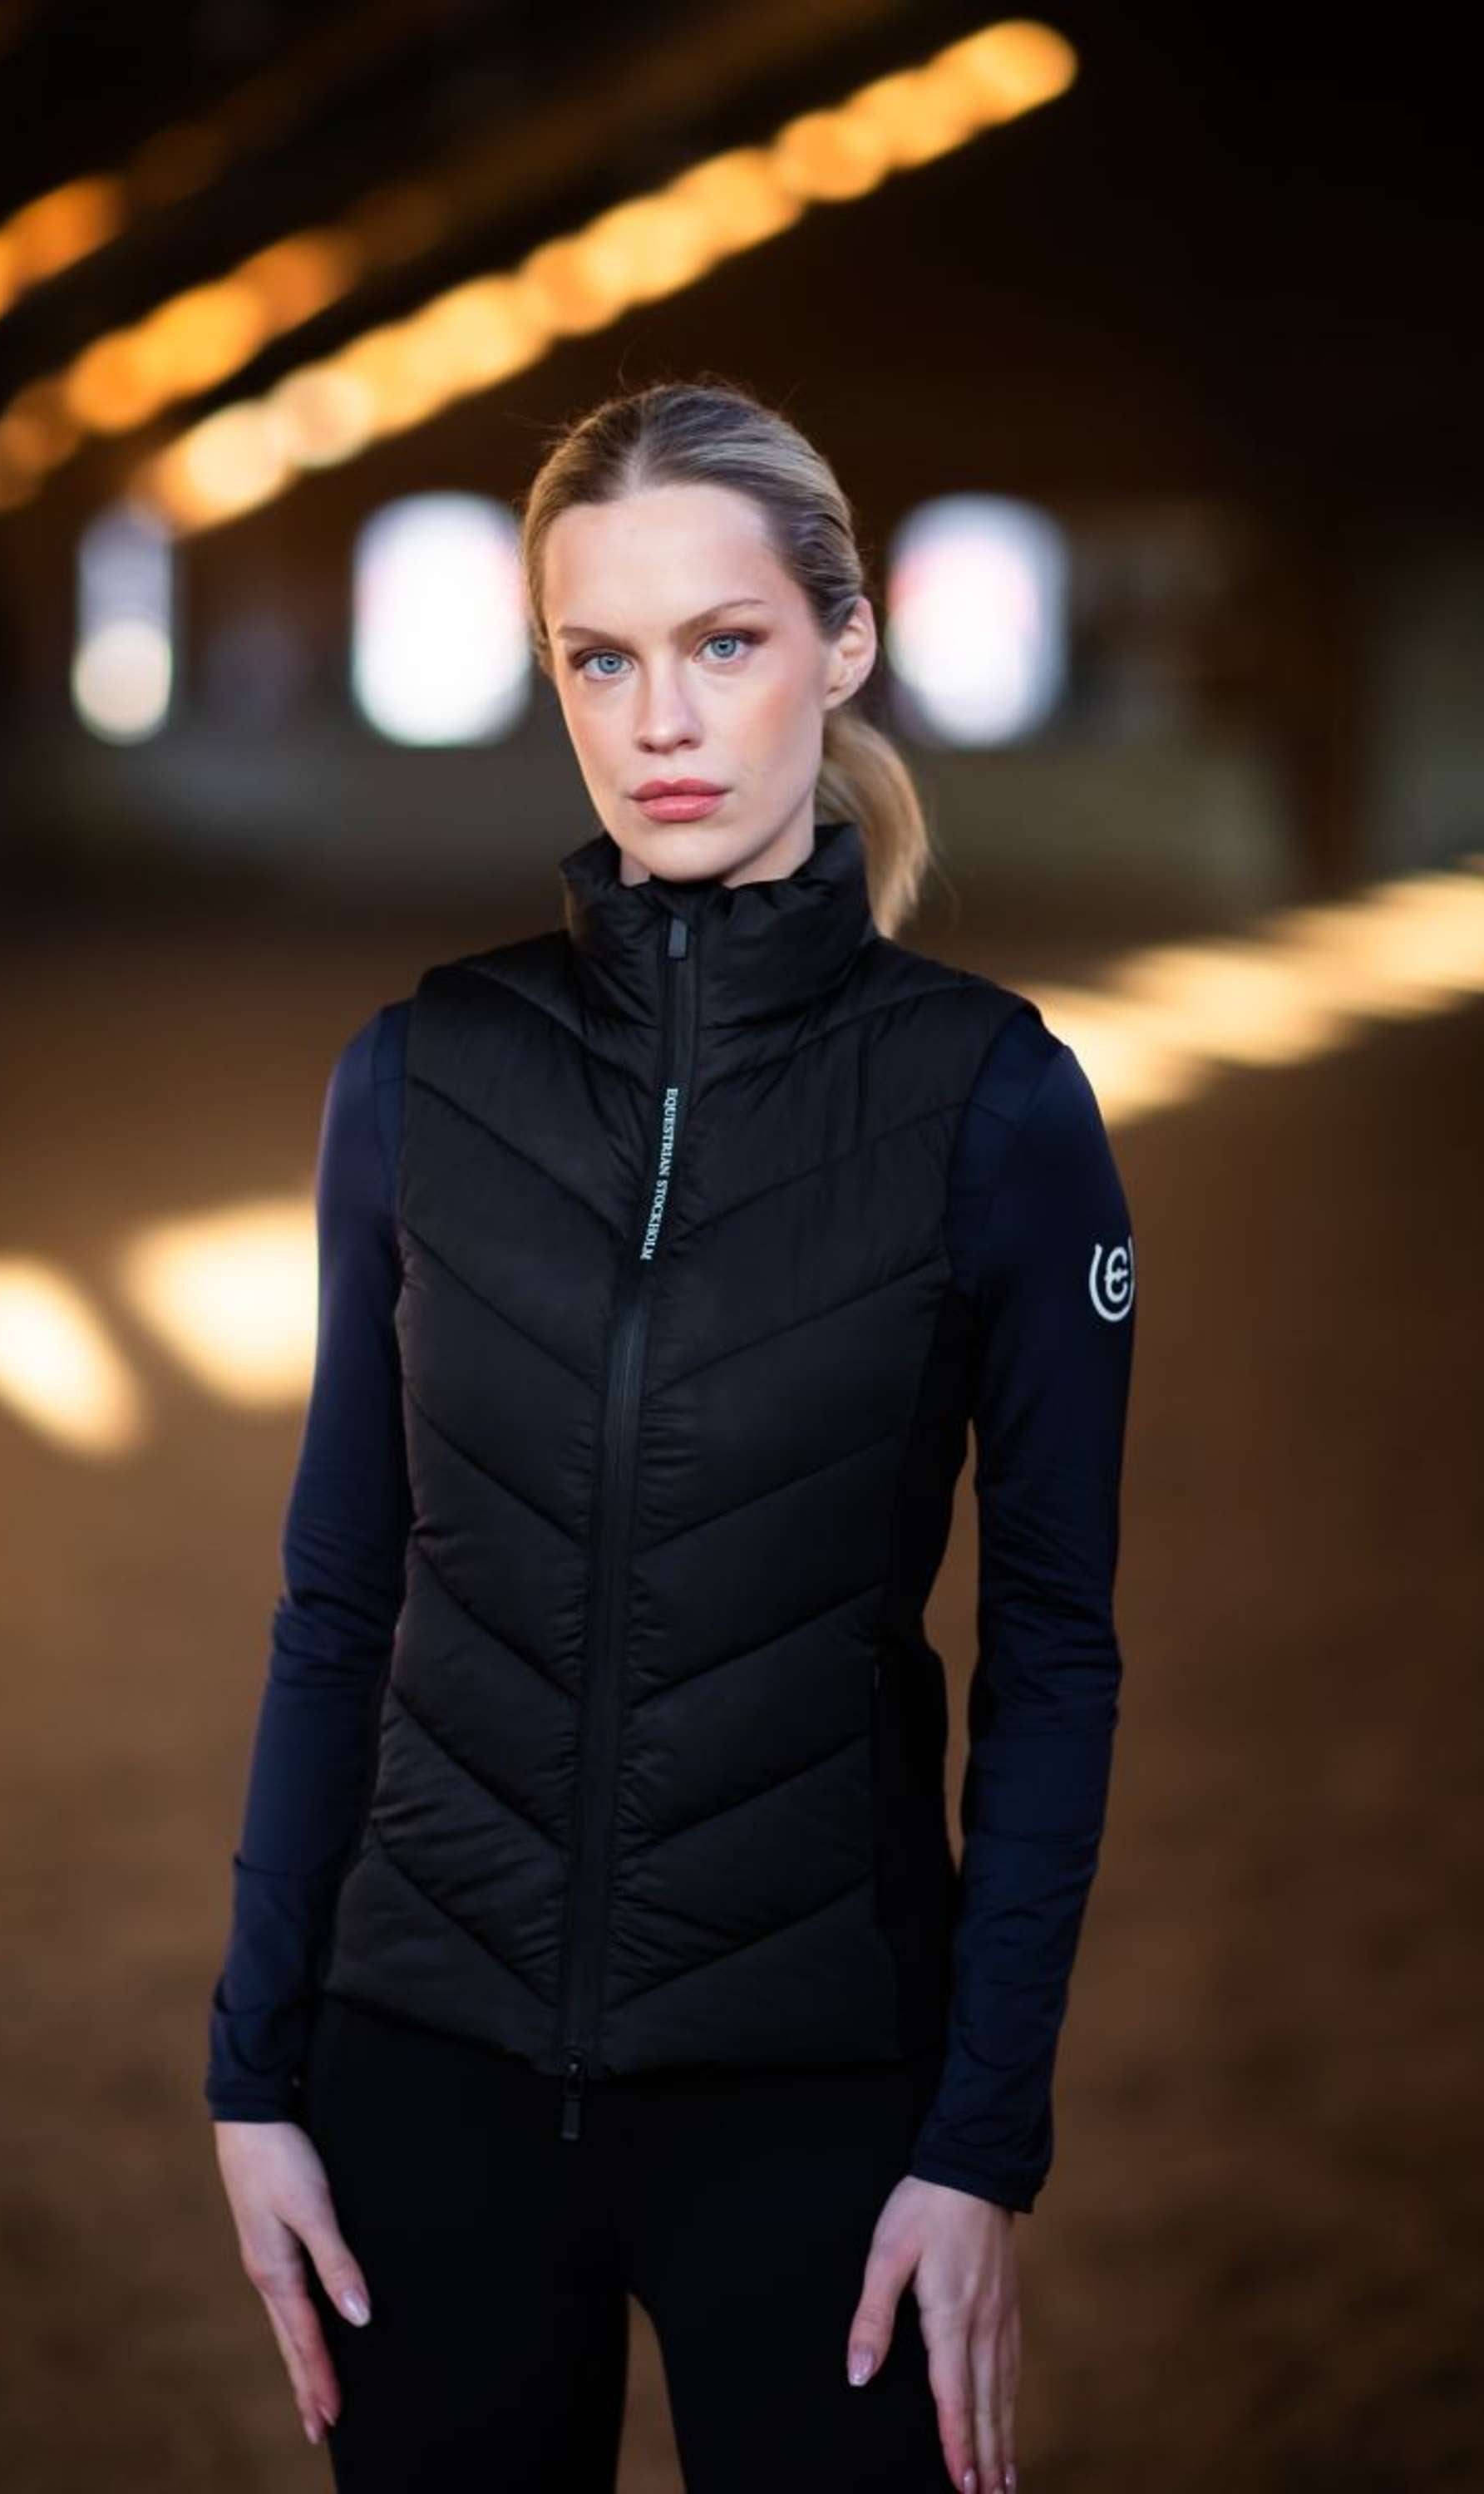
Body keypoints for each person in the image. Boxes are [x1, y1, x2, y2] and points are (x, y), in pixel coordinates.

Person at [205, 377, 1135, 2494]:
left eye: (724, 643)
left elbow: (1055, 1655)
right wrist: (255, 2073)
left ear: (846, 642)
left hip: (820, 2109)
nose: (663, 724)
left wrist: (982, 2144)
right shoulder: (419, 1075)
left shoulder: (995, 1105)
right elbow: (338, 1594)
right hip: (422, 2078)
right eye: (600, 660)